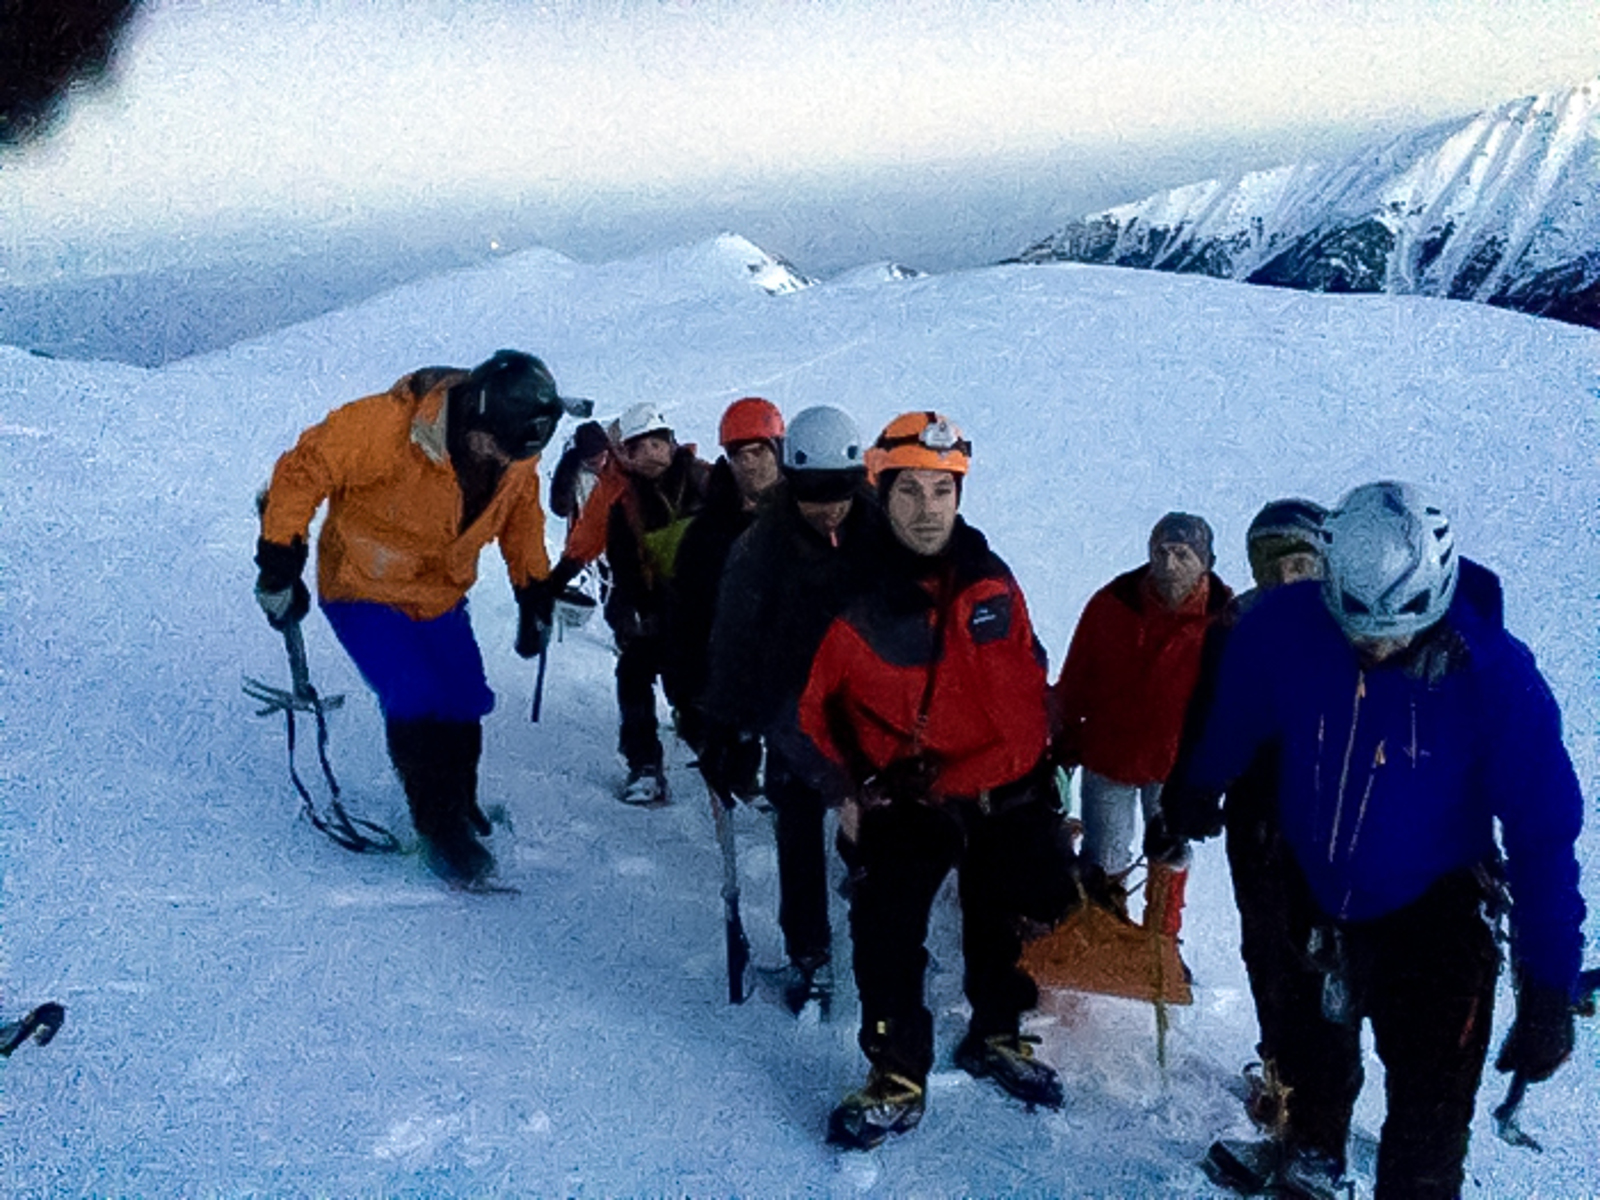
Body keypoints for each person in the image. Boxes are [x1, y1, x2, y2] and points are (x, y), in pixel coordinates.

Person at [1166, 481, 1586, 1199]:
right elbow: (1239, 712)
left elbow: (1543, 833)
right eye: (1356, 624)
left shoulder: (1495, 678)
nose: (1374, 643)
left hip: (1436, 912)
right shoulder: (1284, 627)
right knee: (1309, 1056)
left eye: (1396, 627)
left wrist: (1549, 983)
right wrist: (1198, 786)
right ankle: (1312, 1152)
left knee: (1427, 1125)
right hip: (1313, 888)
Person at [798, 412, 1079, 1150]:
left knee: (1007, 912)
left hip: (1002, 787)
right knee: (886, 932)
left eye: (942, 492)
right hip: (906, 793)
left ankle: (996, 1030)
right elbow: (805, 711)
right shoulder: (844, 595)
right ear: (881, 494)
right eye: (912, 491)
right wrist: (847, 789)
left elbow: (1025, 687)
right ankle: (897, 1072)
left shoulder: (990, 582)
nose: (929, 510)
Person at [254, 350, 580, 886]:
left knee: (465, 694)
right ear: (475, 415)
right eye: (497, 447)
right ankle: (439, 825)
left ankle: (460, 799)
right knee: (414, 693)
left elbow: (521, 518)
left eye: (515, 453)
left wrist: (533, 590)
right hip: (364, 584)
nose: (504, 460)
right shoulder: (387, 426)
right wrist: (279, 560)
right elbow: (303, 469)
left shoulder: (516, 448)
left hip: (440, 592)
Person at [699, 404, 884, 1015]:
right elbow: (734, 642)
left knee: (878, 829)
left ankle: (880, 934)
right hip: (792, 709)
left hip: (869, 708)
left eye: (841, 490)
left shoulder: (882, 531)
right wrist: (726, 726)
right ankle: (810, 954)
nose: (829, 505)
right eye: (813, 492)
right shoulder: (761, 548)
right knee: (798, 823)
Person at [1151, 498, 1329, 1125]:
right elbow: (1206, 718)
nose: (1287, 578)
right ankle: (1282, 1067)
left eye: (1302, 563)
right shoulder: (1237, 625)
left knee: (1323, 959)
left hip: (1333, 822)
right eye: (1272, 564)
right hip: (1258, 813)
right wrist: (1185, 799)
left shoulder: (1353, 628)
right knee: (1266, 945)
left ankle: (1322, 1093)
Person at [1051, 511, 1232, 911]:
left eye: (1183, 554)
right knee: (1105, 856)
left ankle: (1162, 941)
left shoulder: (1224, 620)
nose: (1169, 565)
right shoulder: (1111, 605)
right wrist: (1061, 738)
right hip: (1110, 756)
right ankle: (1106, 931)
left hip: (1176, 766)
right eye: (1162, 552)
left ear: (1205, 562)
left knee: (1170, 853)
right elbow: (1079, 676)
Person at [537, 402, 710, 805]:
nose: (651, 453)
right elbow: (585, 539)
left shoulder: (705, 478)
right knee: (634, 674)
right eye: (640, 446)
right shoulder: (615, 494)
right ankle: (644, 764)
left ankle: (711, 741)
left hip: (702, 600)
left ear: (671, 442)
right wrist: (551, 585)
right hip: (644, 601)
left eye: (657, 443)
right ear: (625, 453)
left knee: (694, 678)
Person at [666, 397, 785, 769]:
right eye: (739, 456)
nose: (749, 465)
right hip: (730, 675)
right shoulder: (708, 532)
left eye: (758, 452)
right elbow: (685, 613)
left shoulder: (808, 517)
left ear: (778, 452)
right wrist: (687, 695)